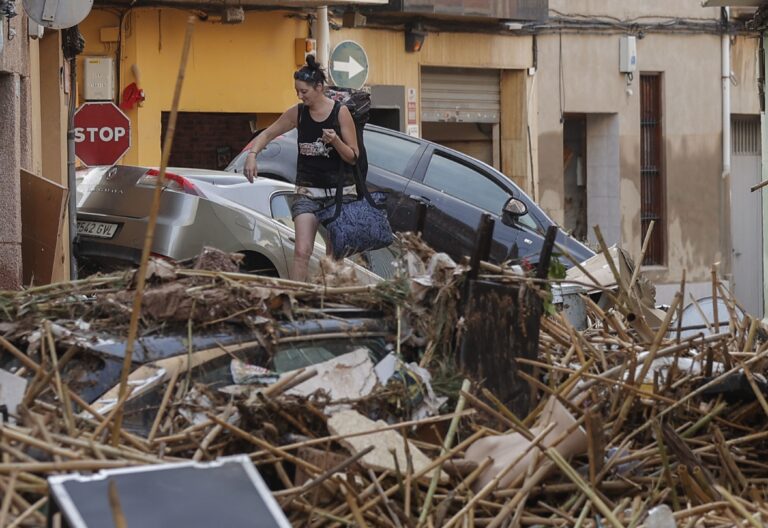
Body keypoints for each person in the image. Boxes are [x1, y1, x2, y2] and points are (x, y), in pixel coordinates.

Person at [243, 56, 359, 282]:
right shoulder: (297, 113)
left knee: (333, 256)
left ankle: (328, 302)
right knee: (301, 251)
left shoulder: (340, 113)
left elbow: (353, 156)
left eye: (304, 91)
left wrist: (335, 141)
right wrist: (252, 154)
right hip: (307, 191)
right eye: (297, 91)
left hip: (340, 194)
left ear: (319, 87)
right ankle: (296, 300)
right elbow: (267, 133)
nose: (300, 96)